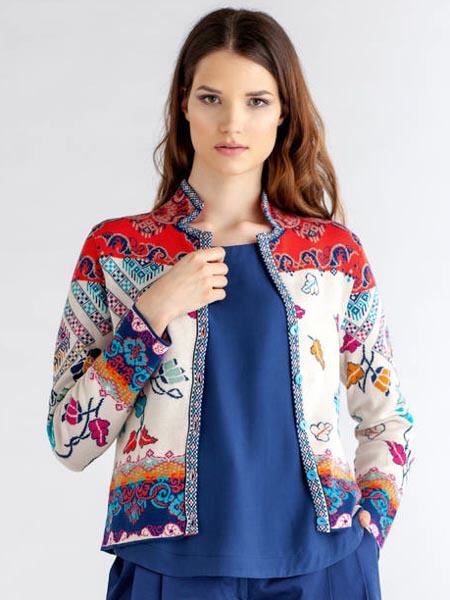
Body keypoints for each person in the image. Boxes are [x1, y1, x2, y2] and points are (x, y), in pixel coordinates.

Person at [46, 8, 415, 600]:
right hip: (169, 569)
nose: (232, 123)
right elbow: (69, 439)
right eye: (212, 98)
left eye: (257, 101)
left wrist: (368, 531)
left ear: (283, 112)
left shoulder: (333, 255)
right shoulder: (117, 252)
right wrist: (151, 314)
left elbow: (386, 415)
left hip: (325, 565)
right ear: (184, 105)